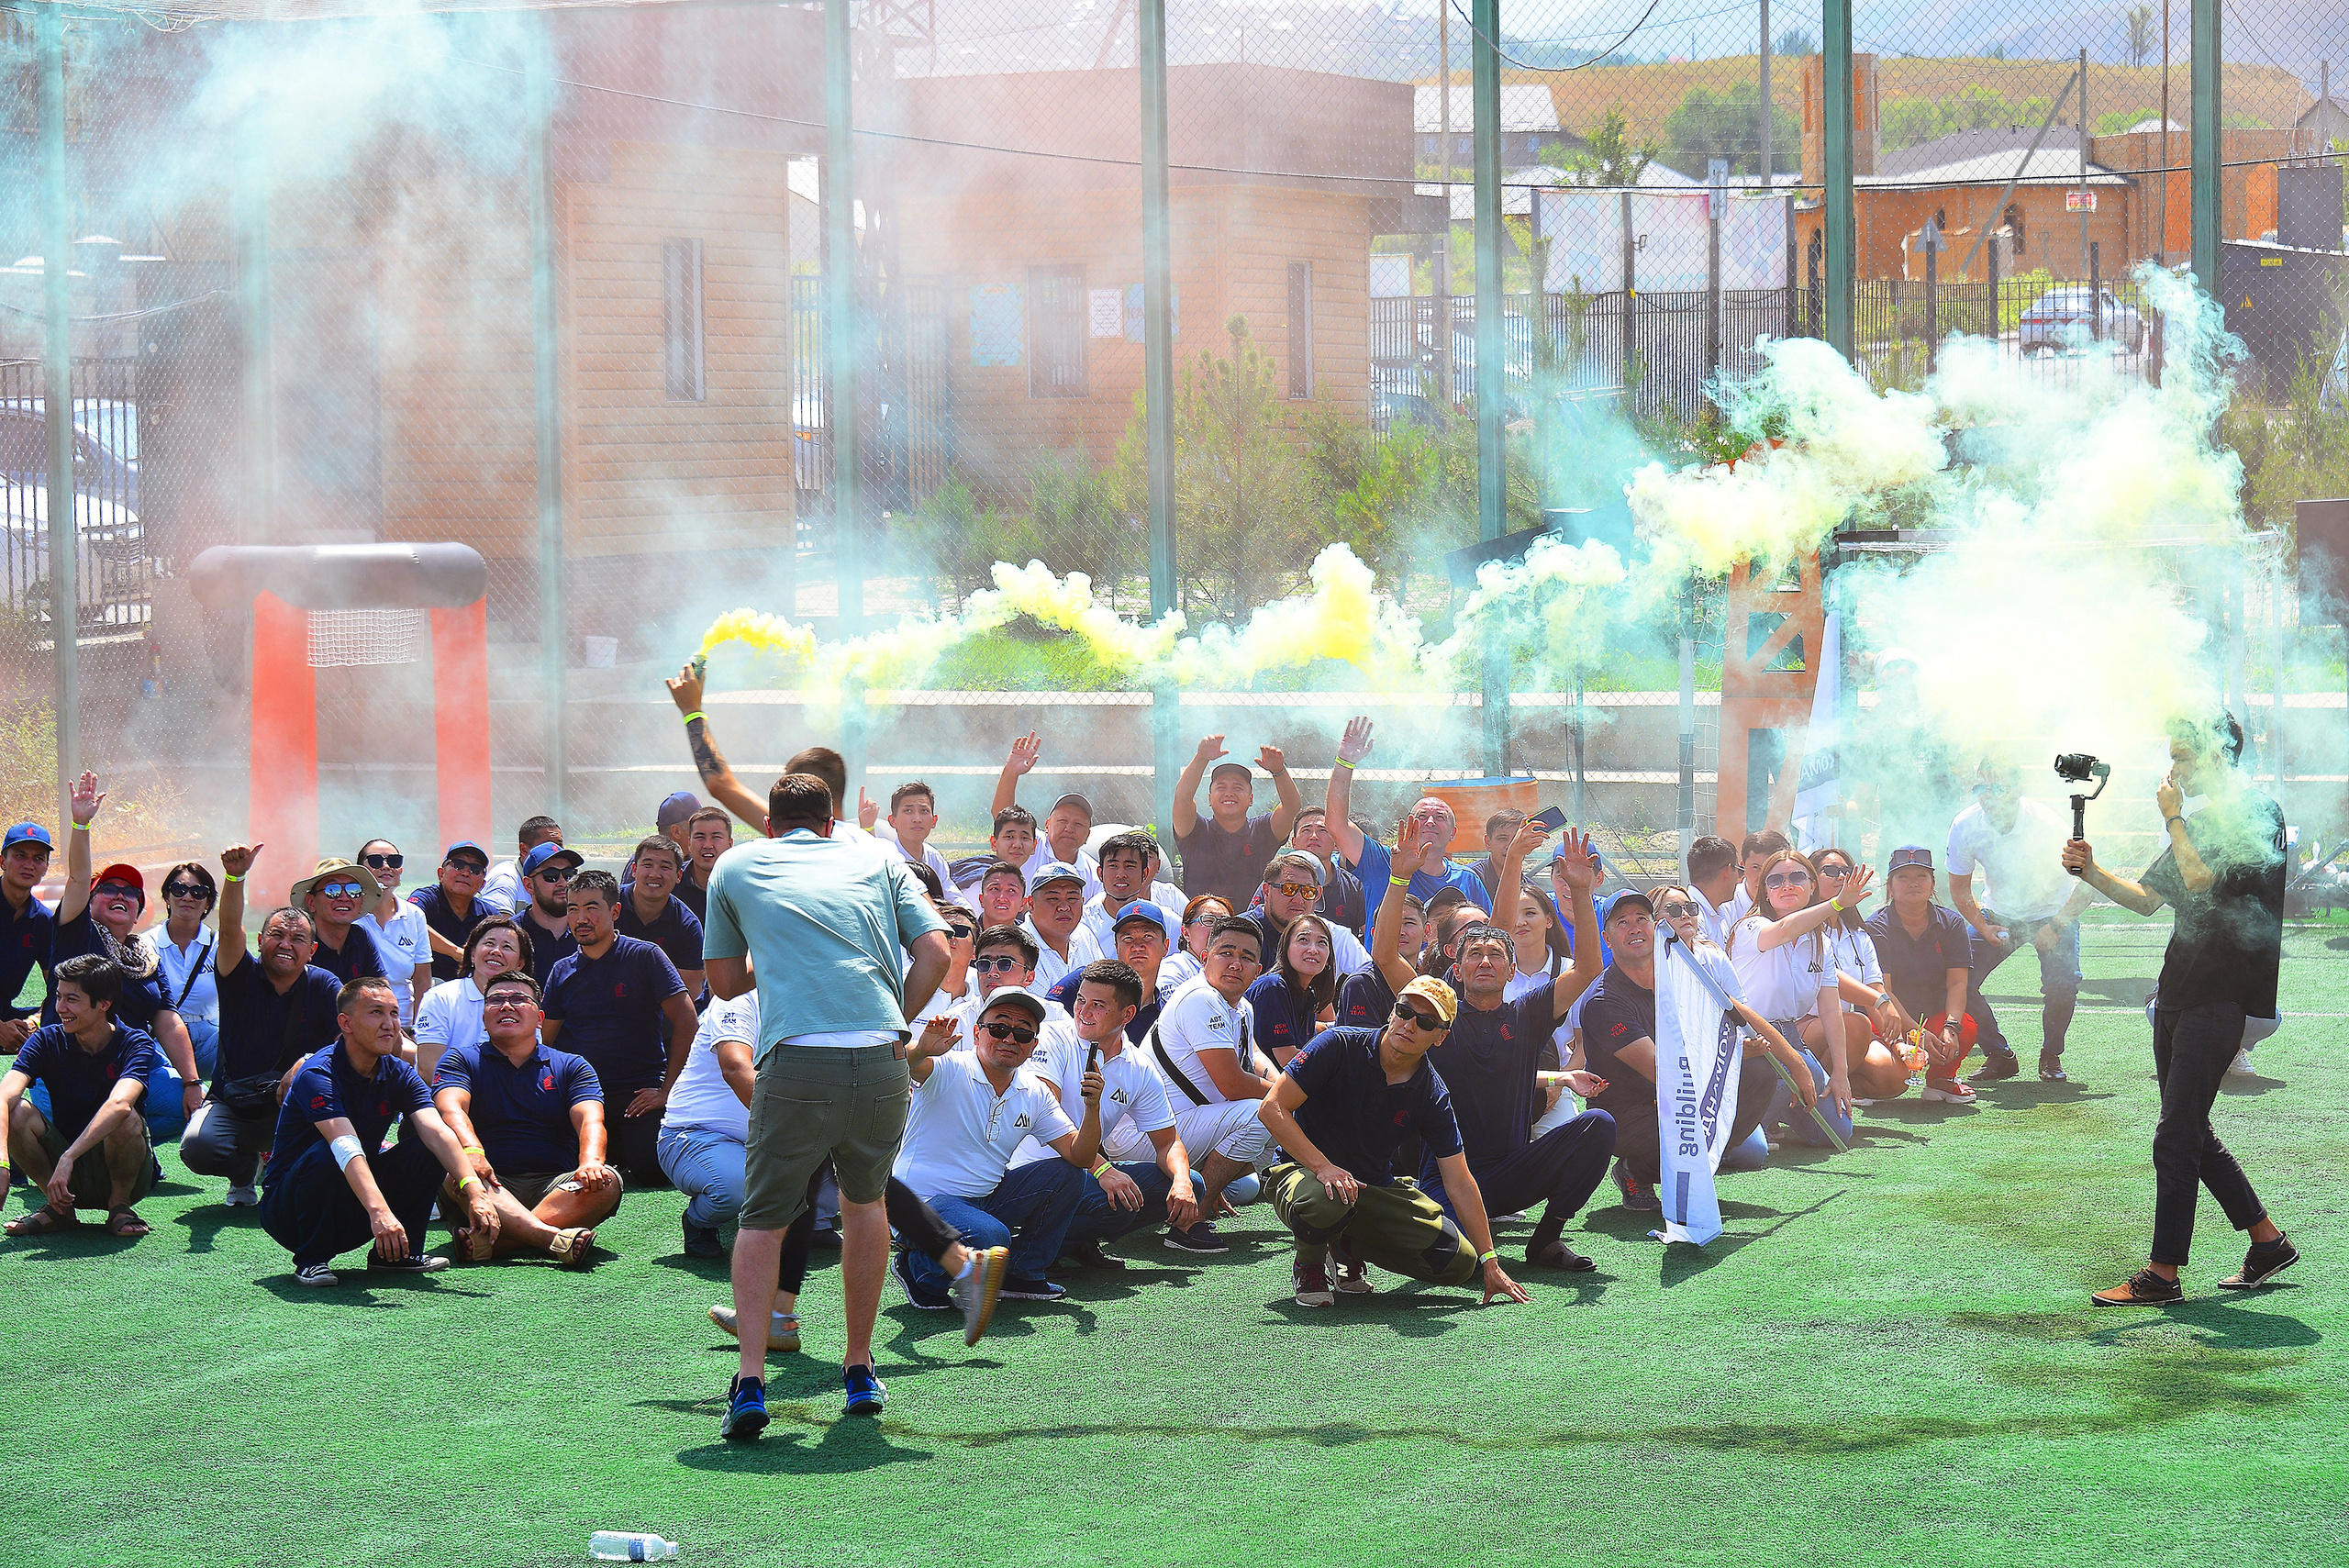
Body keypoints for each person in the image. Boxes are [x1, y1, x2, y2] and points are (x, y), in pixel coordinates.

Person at [701, 772, 952, 1437]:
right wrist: (894, 1020)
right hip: (879, 1056)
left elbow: (725, 983)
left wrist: (775, 953)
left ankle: (750, 1379)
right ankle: (860, 1367)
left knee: (762, 1219)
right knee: (864, 1202)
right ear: (833, 816)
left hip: (796, 1056)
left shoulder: (735, 863)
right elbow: (937, 950)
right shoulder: (876, 857)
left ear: (773, 825)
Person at [2064, 712, 2298, 1305]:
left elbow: (2196, 879)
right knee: (2193, 1133)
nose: (2175, 771)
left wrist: (2170, 817)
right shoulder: (2199, 823)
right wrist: (2090, 871)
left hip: (2219, 997)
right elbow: (2147, 898)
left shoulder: (2258, 816)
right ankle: (2267, 1241)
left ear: (2219, 754)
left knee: (2175, 1136)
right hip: (2178, 993)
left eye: (2185, 757)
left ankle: (2163, 1274)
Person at [668, 989, 1008, 1355]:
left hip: (789, 1123)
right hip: (702, 1133)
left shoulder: (815, 993)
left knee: (826, 1171)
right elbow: (736, 1067)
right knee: (804, 1173)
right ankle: (960, 1264)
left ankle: (779, 1316)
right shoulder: (740, 998)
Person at [1256, 975, 1530, 1310]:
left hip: (1373, 1189)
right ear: (1392, 1012)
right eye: (1404, 1011)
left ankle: (1344, 1244)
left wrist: (1490, 1261)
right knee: (1326, 1200)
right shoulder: (1337, 1044)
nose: (1409, 1024)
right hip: (1301, 1174)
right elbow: (1272, 1108)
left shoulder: (1432, 1094)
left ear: (1441, 1037)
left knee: (1458, 1262)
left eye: (1426, 1021)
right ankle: (1309, 1265)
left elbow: (1459, 1181)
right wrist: (1323, 1167)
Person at [1420, 817, 1617, 1273]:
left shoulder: (1526, 1014)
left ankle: (1546, 1241)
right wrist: (1511, 863)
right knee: (1450, 1263)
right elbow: (1391, 956)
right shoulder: (1436, 1011)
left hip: (1510, 1174)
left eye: (1496, 956)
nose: (1485, 961)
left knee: (1599, 1125)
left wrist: (1582, 893)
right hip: (1447, 1179)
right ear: (1456, 966)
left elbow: (1588, 967)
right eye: (1474, 954)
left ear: (1512, 971)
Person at [1576, 890, 1813, 1212]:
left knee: (1760, 1072)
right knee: (1731, 1116)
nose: (1634, 928)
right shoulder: (1604, 1000)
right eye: (1622, 922)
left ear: (1656, 926)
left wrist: (1797, 1064)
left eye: (1641, 919)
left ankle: (1691, 1165)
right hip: (1630, 1113)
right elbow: (1665, 1072)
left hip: (1681, 1096)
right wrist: (1732, 1052)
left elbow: (1737, 1010)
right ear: (1607, 937)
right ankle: (1637, 1169)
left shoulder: (1678, 972)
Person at [257, 976, 500, 1286]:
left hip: (352, 1202)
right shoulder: (318, 1073)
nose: (390, 1024)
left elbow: (437, 1132)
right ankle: (311, 1259)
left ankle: (398, 1255)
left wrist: (476, 1192)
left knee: (426, 1146)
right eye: (376, 1013)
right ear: (346, 1023)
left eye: (395, 1013)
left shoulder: (398, 1072)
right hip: (289, 1212)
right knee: (330, 1152)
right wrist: (380, 1212)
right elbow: (345, 1146)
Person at [894, 991, 1092, 1307]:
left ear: (1033, 1045)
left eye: (1023, 1032)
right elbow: (902, 1064)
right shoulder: (949, 1068)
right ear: (977, 1032)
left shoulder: (1034, 1091)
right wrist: (920, 1049)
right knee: (990, 1236)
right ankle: (917, 1269)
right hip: (919, 1203)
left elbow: (1079, 1156)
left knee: (1067, 1174)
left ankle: (1022, 1273)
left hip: (981, 1201)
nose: (1010, 1038)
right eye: (999, 1028)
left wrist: (1092, 1108)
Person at [40, 773, 204, 1135]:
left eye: (130, 892)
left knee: (184, 1110)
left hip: (124, 1066)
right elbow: (79, 879)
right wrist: (80, 824)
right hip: (64, 1062)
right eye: (109, 889)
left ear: (139, 910)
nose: (119, 895)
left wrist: (192, 1084)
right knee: (39, 1131)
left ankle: (108, 1140)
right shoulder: (77, 933)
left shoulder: (147, 957)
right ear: (91, 901)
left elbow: (167, 1020)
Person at [180, 845, 342, 1205]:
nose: (286, 944)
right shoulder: (239, 974)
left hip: (299, 1104)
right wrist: (235, 877)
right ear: (259, 940)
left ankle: (297, 1171)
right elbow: (228, 925)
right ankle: (244, 1170)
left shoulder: (324, 984)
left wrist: (304, 1063)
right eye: (277, 935)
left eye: (298, 939)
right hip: (234, 1101)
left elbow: (348, 1041)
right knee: (198, 1148)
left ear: (312, 951)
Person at [429, 971, 618, 1266]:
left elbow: (590, 1121)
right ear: (484, 1017)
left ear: (540, 1018)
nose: (506, 1006)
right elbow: (451, 1110)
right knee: (454, 1166)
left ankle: (496, 1243)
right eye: (496, 1001)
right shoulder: (460, 1060)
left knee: (606, 1181)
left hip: (556, 1187)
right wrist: (473, 1152)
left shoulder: (571, 1066)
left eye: (518, 999)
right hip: (488, 1182)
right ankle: (549, 1238)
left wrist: (591, 1162)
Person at [1018, 959, 1198, 1268]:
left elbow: (1168, 1142)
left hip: (1080, 1171)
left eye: (1097, 1005)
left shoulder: (1139, 1066)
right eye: (1080, 1000)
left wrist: (1183, 1181)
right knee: (1119, 1203)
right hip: (1030, 1172)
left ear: (1127, 1014)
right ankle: (1023, 1254)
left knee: (1189, 1181)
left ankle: (1067, 1243)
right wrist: (1103, 1169)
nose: (1083, 1011)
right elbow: (1046, 1117)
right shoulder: (1051, 1036)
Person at [539, 870, 696, 1179]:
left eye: (591, 908)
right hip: (584, 1094)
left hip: (639, 1091)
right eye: (573, 909)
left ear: (615, 911)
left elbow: (688, 1022)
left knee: (650, 1168)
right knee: (552, 1163)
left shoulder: (645, 956)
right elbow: (544, 1042)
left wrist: (667, 1090)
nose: (581, 918)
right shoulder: (562, 971)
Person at [1947, 760, 2093, 1082]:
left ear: (2017, 789)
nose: (1987, 795)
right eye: (1981, 787)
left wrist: (2056, 925)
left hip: (2053, 913)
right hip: (1999, 913)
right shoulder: (1966, 824)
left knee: (2063, 985)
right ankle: (1999, 1055)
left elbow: (2088, 884)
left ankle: (2051, 1055)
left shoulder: (2047, 823)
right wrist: (1982, 926)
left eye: (1997, 787)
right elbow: (1958, 887)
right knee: (1958, 979)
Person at [2, 955, 161, 1239]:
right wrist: (2, 1163)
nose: (60, 1008)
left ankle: (119, 1206)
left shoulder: (135, 1042)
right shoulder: (46, 1039)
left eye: (71, 1000)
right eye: (58, 997)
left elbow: (120, 1104)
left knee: (125, 1116)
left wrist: (68, 1157)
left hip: (125, 1171)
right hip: (62, 1178)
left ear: (104, 1003)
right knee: (16, 1112)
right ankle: (58, 1210)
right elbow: (5, 1096)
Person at [1146, 914, 1277, 1251]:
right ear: (1204, 957)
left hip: (1182, 1127)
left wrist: (1284, 1084)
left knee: (1248, 1182)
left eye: (1247, 957)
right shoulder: (1201, 997)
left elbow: (1255, 1058)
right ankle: (1188, 1223)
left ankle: (1200, 1188)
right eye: (1226, 953)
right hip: (1149, 1136)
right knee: (1261, 1114)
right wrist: (1287, 1095)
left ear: (1258, 970)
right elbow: (1233, 1085)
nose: (1236, 963)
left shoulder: (1241, 1005)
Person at [1728, 849, 1871, 1140]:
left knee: (1835, 1134)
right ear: (1765, 892)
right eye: (1775, 880)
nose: (1787, 885)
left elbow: (1831, 1011)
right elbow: (1785, 929)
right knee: (1811, 1075)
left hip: (1790, 1035)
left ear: (1811, 886)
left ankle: (1776, 1111)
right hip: (1749, 1038)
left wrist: (1841, 1074)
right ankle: (1755, 1119)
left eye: (1796, 877)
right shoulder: (1751, 927)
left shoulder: (1821, 943)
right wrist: (1837, 904)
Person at [1322, 717, 1486, 922]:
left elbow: (1490, 930)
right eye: (1422, 816)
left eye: (1440, 817)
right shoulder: (1381, 862)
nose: (1430, 822)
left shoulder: (1468, 880)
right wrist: (1345, 761)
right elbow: (1336, 824)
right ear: (1409, 826)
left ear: (1453, 833)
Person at [1863, 847, 1985, 1107]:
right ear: (1890, 887)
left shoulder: (1951, 923)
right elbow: (1884, 990)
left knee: (1966, 1025)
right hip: (1889, 1020)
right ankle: (1863, 1078)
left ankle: (1941, 1079)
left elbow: (1957, 983)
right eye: (1903, 877)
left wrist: (1951, 1028)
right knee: (1891, 1076)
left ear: (1932, 885)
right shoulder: (1876, 926)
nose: (1913, 883)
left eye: (1921, 876)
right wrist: (1916, 1033)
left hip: (1933, 1018)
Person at [1802, 848, 1914, 1106]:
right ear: (1811, 881)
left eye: (1846, 871)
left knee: (1894, 1076)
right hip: (1804, 1026)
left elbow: (1874, 986)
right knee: (1856, 1025)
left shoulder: (1859, 935)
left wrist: (1897, 1042)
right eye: (1830, 871)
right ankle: (1820, 1103)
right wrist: (1881, 1002)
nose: (1841, 876)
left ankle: (1839, 1088)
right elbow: (1834, 979)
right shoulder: (1803, 927)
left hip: (1841, 1029)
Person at [1172, 733, 1300, 903]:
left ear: (1251, 799)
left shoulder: (1262, 830)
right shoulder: (1195, 830)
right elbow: (1183, 798)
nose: (1229, 793)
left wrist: (1279, 771)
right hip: (1203, 923)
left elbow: (1292, 808)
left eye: (1238, 787)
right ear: (1209, 798)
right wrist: (1201, 758)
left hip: (1252, 925)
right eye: (1221, 787)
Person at [412, 918, 534, 1084]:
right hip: (447, 1099)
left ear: (520, 964)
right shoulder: (440, 997)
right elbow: (428, 1067)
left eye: (507, 947)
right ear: (472, 954)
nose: (496, 951)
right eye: (489, 943)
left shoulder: (526, 1004)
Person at [144, 861, 221, 1098]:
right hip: (162, 1038)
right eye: (179, 890)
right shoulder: (147, 944)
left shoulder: (220, 944)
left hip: (210, 1035)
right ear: (167, 897)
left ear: (208, 902)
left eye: (199, 892)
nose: (188, 897)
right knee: (172, 1092)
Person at [992, 733, 1103, 895]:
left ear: (1087, 836)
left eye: (1078, 824)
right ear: (1047, 825)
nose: (1069, 828)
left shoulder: (1094, 875)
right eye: (1063, 820)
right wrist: (1011, 772)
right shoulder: (1030, 844)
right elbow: (1002, 816)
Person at [1049, 901, 1174, 1044]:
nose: (1137, 946)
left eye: (1148, 936)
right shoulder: (1087, 979)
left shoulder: (1167, 1015)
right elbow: (1046, 1015)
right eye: (1128, 938)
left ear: (1166, 946)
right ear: (1116, 947)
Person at [1243, 851, 1374, 978]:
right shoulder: (1240, 933)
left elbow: (1372, 978)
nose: (1299, 900)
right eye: (1289, 889)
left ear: (1317, 894)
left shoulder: (1334, 936)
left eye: (1307, 891)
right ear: (1266, 891)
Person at [1243, 912, 1339, 1069]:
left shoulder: (1308, 994)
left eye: (1322, 943)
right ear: (1285, 949)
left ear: (1328, 959)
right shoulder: (1273, 987)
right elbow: (1287, 1058)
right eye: (1303, 940)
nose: (1313, 950)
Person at [618, 836, 707, 1003]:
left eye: (665, 867)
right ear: (634, 870)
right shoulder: (607, 904)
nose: (654, 874)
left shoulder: (687, 925)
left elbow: (690, 995)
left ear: (678, 875)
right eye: (648, 865)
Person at [355, 840, 433, 1026]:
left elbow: (422, 980)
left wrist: (417, 1028)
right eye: (375, 861)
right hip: (361, 1021)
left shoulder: (414, 915)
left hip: (404, 1021)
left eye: (394, 861)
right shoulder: (351, 915)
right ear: (360, 870)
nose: (386, 867)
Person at [289, 859, 390, 985]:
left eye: (353, 890)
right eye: (332, 890)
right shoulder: (298, 942)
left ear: (361, 902)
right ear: (311, 902)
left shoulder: (360, 936)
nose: (344, 897)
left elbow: (381, 988)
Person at [1, 822, 57, 1051]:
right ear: (2, 861)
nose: (29, 864)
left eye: (38, 858)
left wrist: (33, 1023)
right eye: (20, 855)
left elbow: (58, 987)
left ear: (45, 868)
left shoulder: (43, 920)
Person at [409, 841, 493, 985]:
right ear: (441, 874)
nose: (465, 873)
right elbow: (409, 922)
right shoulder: (426, 898)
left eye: (475, 869)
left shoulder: (488, 915)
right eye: (458, 865)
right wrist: (456, 952)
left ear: (482, 884)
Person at [1077, 832, 1177, 951]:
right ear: (1100, 873)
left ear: (1144, 874)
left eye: (1129, 866)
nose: (1121, 875)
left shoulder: (1166, 921)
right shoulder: (1083, 923)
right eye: (1113, 866)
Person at [874, 781, 965, 909]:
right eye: (908, 810)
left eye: (924, 811)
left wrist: (970, 916)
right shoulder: (887, 858)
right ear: (893, 821)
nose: (917, 819)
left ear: (934, 821)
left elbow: (951, 894)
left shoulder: (934, 857)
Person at [1021, 862, 1103, 992]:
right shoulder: (1017, 947)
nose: (1064, 907)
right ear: (1031, 904)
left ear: (1082, 901)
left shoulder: (1084, 935)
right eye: (1053, 898)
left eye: (1072, 898)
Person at [1286, 806, 1366, 935]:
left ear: (1336, 844)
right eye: (1306, 830)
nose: (1313, 836)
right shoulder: (1276, 881)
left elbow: (1371, 935)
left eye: (1322, 830)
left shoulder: (1354, 887)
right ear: (1294, 843)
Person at [512, 840, 583, 984]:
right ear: (528, 885)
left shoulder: (590, 930)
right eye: (551, 875)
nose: (563, 883)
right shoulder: (510, 935)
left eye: (569, 874)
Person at [480, 816, 562, 916]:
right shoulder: (505, 878)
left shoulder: (565, 878)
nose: (554, 850)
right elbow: (497, 926)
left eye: (559, 845)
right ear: (524, 850)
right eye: (547, 845)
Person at [1157, 895, 1230, 996]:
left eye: (1225, 922)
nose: (1218, 928)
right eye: (1208, 921)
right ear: (1186, 933)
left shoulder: (1234, 969)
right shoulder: (1173, 970)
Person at [677, 807, 734, 925]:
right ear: (689, 843)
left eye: (716, 837)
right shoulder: (673, 881)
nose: (707, 845)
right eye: (700, 837)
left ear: (730, 843)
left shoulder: (742, 884)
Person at [1684, 835, 1741, 948]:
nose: (1739, 879)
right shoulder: (1691, 917)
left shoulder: (1721, 911)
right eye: (1739, 871)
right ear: (1728, 871)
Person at [1464, 809, 1528, 908]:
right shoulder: (1469, 879)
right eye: (1502, 838)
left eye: (1517, 839)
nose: (1510, 846)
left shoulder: (1530, 889)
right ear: (1488, 843)